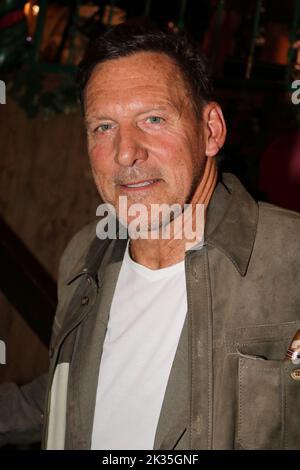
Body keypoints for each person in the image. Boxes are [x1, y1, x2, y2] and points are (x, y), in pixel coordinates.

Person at [0, 21, 300, 451]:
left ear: (211, 129)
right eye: (103, 126)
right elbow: (77, 389)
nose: (125, 153)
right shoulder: (85, 254)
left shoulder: (291, 258)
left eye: (154, 119)